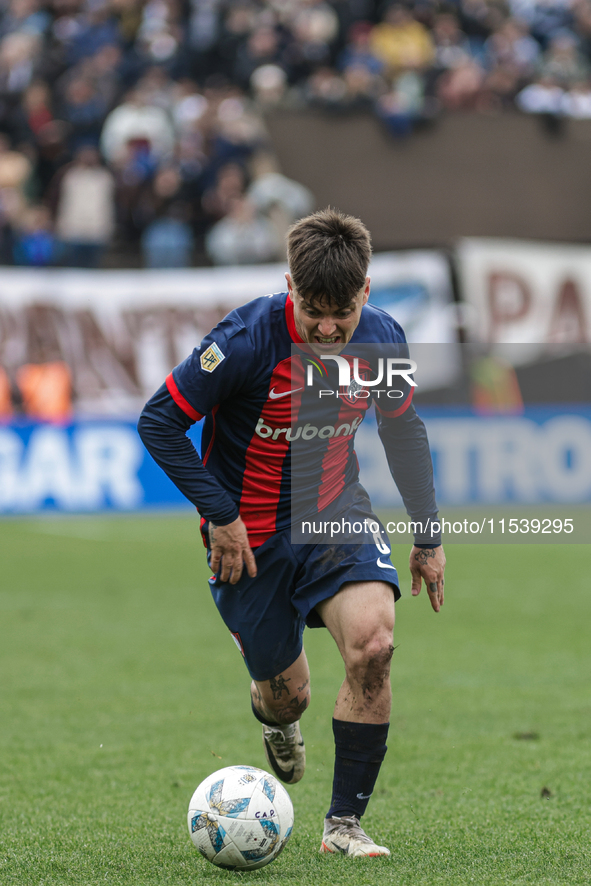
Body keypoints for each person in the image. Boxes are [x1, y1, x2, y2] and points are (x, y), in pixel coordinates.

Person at [138, 208, 446, 858]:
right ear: (288, 286)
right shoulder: (246, 340)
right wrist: (220, 516)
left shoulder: (384, 338)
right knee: (287, 700)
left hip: (336, 511)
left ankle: (343, 826)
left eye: (343, 311)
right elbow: (159, 421)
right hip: (245, 537)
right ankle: (275, 717)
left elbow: (401, 429)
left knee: (374, 645)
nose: (329, 328)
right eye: (313, 312)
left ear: (366, 291)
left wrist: (428, 535)